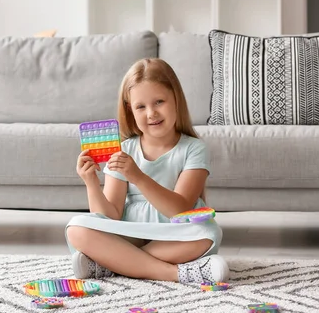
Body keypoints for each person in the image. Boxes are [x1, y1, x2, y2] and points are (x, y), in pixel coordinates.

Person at [65, 58, 229, 285]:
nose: (151, 113)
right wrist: (91, 182)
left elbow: (180, 208)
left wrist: (138, 177)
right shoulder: (125, 149)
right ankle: (174, 273)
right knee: (76, 229)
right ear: (130, 111)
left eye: (159, 102)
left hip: (173, 234)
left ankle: (113, 263)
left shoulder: (194, 148)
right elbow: (110, 215)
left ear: (176, 101)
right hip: (131, 234)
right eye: (140, 107)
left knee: (209, 235)